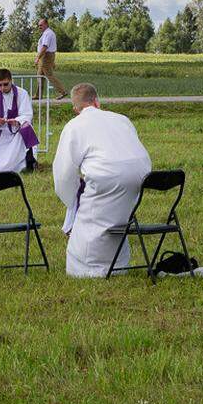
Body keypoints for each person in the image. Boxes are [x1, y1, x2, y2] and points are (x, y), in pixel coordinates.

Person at [53, 83, 152, 278]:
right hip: (141, 178)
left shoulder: (75, 125)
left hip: (106, 178)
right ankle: (119, 263)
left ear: (76, 109)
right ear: (97, 102)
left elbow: (63, 173)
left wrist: (72, 200)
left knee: (86, 223)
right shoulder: (122, 119)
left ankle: (89, 270)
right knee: (118, 216)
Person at [0, 68, 39, 173]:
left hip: (15, 128)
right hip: (0, 129)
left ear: (11, 81)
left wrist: (17, 121)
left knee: (27, 128)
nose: (2, 88)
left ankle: (25, 163)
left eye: (5, 84)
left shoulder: (22, 93)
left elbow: (27, 113)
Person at [34, 18, 69, 100]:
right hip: (47, 56)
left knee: (49, 75)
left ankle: (63, 91)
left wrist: (37, 58)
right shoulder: (47, 33)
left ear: (46, 24)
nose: (39, 27)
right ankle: (38, 95)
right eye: (39, 25)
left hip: (45, 56)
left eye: (41, 25)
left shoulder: (48, 34)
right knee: (40, 76)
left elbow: (45, 47)